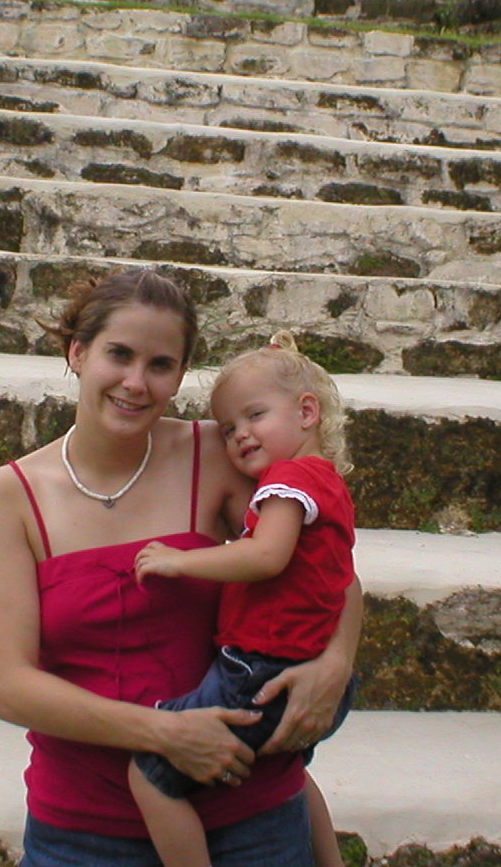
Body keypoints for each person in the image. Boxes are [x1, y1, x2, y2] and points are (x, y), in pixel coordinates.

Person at [0, 268, 361, 866]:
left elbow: (328, 571)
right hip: (82, 830)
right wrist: (165, 735)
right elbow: (12, 688)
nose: (135, 382)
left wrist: (334, 665)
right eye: (118, 355)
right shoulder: (7, 496)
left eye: (160, 364)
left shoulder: (218, 452)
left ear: (179, 376)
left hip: (249, 813)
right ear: (78, 353)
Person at [130, 333, 356, 867]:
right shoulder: (324, 481)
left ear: (307, 412)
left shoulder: (290, 480)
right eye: (229, 428)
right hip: (296, 666)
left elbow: (265, 557)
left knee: (150, 772)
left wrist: (179, 560)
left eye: (255, 416)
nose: (239, 436)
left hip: (260, 670)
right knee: (289, 775)